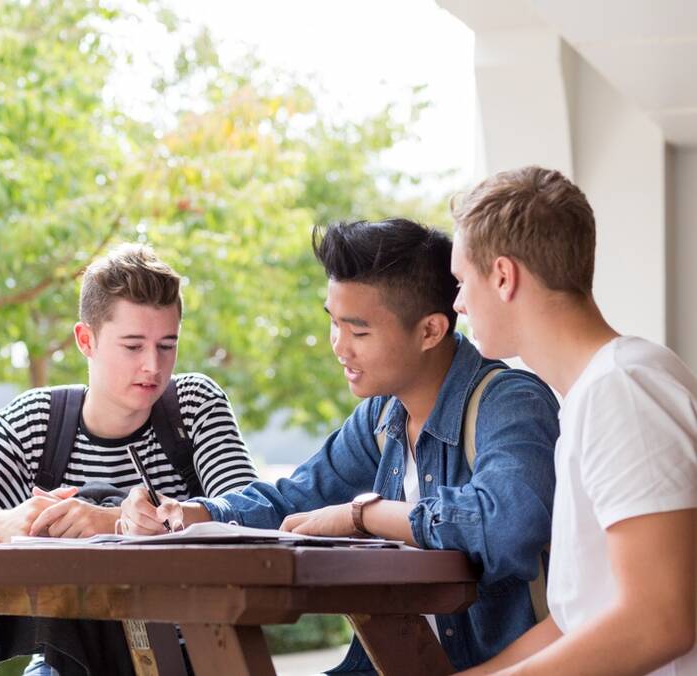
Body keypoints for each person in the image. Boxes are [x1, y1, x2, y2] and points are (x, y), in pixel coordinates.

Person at [121, 219, 561, 674]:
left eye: (359, 332)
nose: (338, 346)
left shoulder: (509, 402)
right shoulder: (382, 415)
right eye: (333, 323)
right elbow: (295, 498)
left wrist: (363, 515)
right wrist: (197, 514)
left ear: (430, 330)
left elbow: (504, 524)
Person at [0, 243, 259, 675]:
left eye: (167, 345)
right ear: (85, 340)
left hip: (197, 652)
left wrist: (111, 526)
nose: (153, 366)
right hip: (66, 661)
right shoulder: (36, 421)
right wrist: (8, 524)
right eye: (132, 346)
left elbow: (251, 520)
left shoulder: (194, 406)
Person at [448, 166, 695, 675]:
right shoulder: (593, 394)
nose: (458, 304)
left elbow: (660, 620)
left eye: (460, 281)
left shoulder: (622, 389)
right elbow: (573, 620)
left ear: (502, 275)